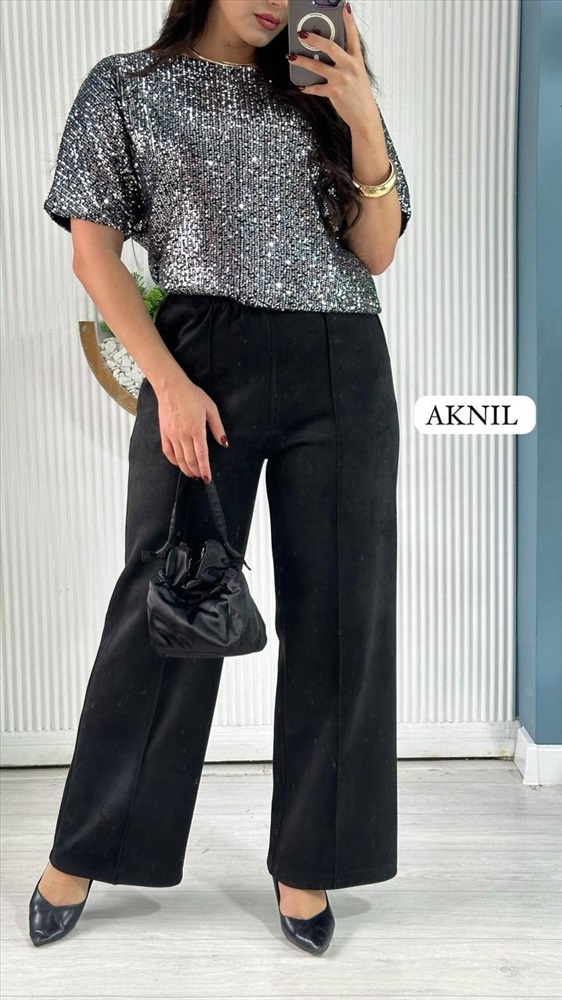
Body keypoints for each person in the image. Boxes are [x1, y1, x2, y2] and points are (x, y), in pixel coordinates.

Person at [30, 0, 411, 955]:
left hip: (342, 364)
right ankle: (89, 847)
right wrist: (168, 383)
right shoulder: (128, 86)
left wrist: (362, 115)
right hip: (200, 358)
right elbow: (92, 252)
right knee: (167, 601)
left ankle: (309, 861)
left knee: (343, 612)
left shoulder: (326, 92)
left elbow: (376, 252)